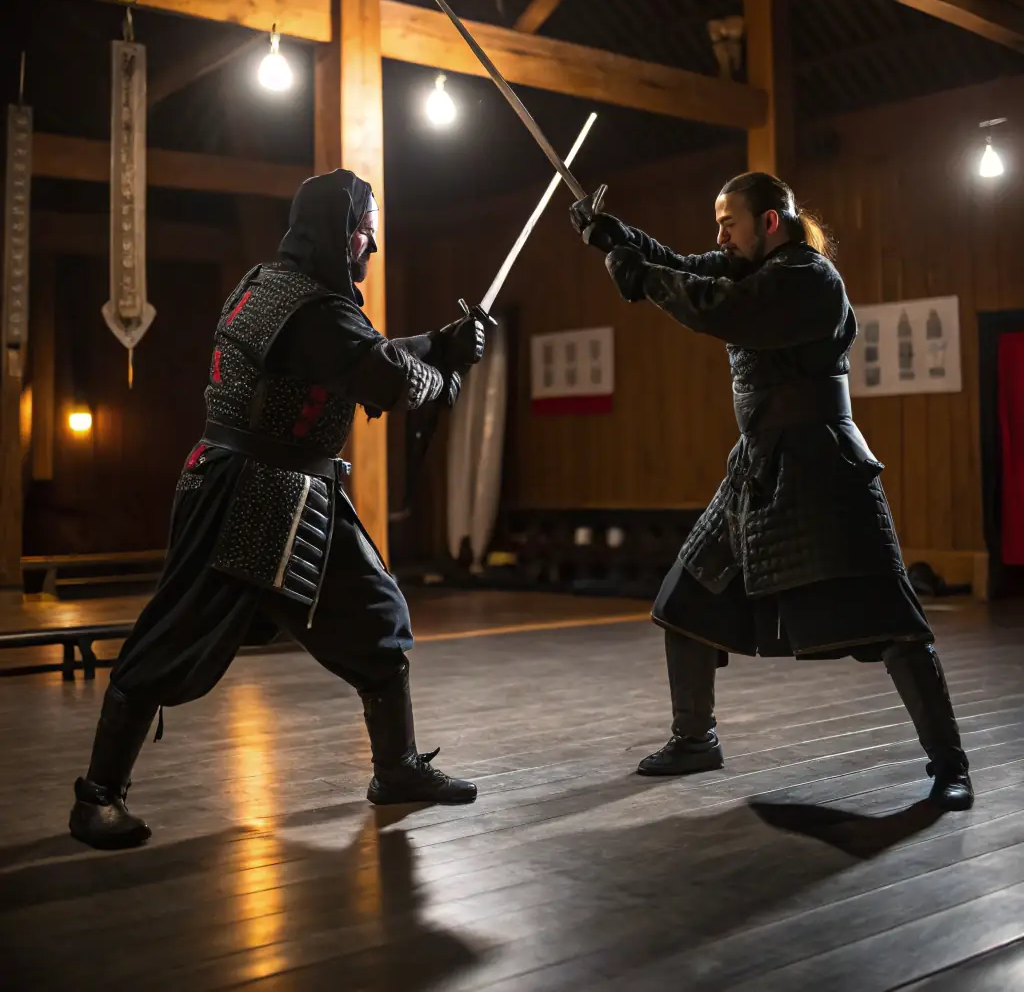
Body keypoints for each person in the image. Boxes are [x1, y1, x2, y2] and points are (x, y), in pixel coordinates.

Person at [70, 168, 486, 850]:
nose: (369, 250)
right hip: (245, 496)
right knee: (170, 639)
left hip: (291, 489)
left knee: (379, 616)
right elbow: (382, 375)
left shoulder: (271, 285)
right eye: (364, 234)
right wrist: (449, 366)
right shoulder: (317, 310)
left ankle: (397, 769)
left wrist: (438, 343)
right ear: (340, 231)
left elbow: (360, 355)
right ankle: (97, 796)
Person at [571, 171, 972, 810]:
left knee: (893, 621)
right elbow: (688, 267)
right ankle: (694, 739)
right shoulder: (751, 265)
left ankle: (951, 766)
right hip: (758, 461)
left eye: (729, 223)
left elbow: (720, 308)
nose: (720, 236)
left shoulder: (808, 279)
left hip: (823, 463)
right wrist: (617, 240)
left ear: (770, 223)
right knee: (685, 598)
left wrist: (641, 276)